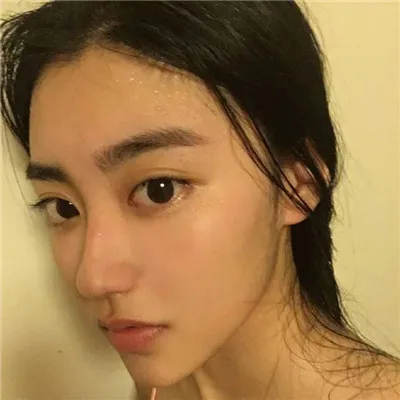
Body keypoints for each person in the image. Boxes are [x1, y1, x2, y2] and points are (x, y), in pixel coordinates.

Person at [1, 2, 399, 400]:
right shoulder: (160, 383)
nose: (93, 278)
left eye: (159, 189)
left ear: (297, 184)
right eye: (63, 207)